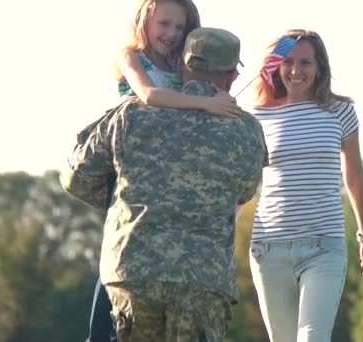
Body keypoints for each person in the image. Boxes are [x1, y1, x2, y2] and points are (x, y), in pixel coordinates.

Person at [61, 27, 268, 342]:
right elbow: (244, 190)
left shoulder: (130, 113)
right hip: (204, 280)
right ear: (230, 77)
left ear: (182, 66)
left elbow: (75, 178)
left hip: (133, 271)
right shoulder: (247, 131)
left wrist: (120, 199)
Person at [248, 29, 363, 342]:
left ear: (319, 66)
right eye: (288, 61)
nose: (296, 71)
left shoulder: (340, 112)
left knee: (312, 338)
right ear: (276, 65)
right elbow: (244, 184)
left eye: (305, 62)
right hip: (269, 248)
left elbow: (355, 175)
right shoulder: (256, 117)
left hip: (324, 247)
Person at [115, 0, 239, 116]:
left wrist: (221, 98)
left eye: (179, 27)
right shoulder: (129, 57)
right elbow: (149, 95)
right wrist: (207, 103)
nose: (172, 34)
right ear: (144, 20)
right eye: (164, 24)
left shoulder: (177, 62)